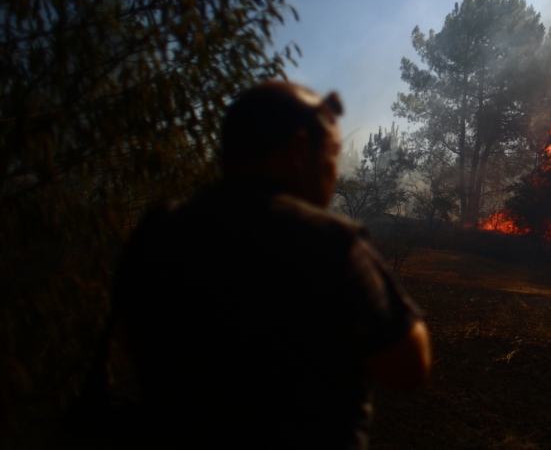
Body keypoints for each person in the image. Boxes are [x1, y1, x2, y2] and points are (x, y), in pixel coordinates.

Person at [112, 82, 430, 449]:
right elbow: (409, 368)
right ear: (297, 150)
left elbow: (130, 335)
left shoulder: (158, 231)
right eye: (331, 155)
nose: (333, 172)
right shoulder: (329, 242)